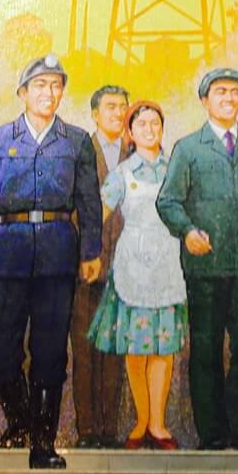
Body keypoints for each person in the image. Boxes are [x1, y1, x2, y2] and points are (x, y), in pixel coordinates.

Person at [0, 55, 103, 468]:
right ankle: (19, 421)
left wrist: (91, 251)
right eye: (40, 85)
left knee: (50, 353)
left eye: (56, 85)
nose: (49, 93)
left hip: (59, 254)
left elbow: (90, 202)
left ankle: (43, 445)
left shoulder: (76, 142)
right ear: (23, 93)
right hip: (8, 254)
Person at [156, 67, 238, 449]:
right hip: (206, 268)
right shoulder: (189, 148)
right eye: (220, 93)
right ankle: (212, 436)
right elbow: (167, 201)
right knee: (206, 351)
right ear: (204, 101)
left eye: (235, 92)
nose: (229, 99)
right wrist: (187, 231)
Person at [90, 101, 185, 449]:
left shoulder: (176, 168)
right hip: (132, 263)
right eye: (141, 124)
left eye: (154, 123)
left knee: (162, 346)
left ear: (162, 128)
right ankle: (141, 420)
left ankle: (159, 424)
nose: (149, 129)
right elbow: (100, 212)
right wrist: (85, 249)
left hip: (168, 261)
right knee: (137, 346)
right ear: (131, 132)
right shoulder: (123, 172)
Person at [69, 84, 131, 447]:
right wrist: (81, 254)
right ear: (94, 114)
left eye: (123, 107)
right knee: (84, 350)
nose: (117, 113)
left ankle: (109, 430)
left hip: (126, 269)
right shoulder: (78, 151)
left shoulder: (138, 152)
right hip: (84, 268)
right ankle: (87, 430)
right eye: (110, 107)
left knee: (114, 353)